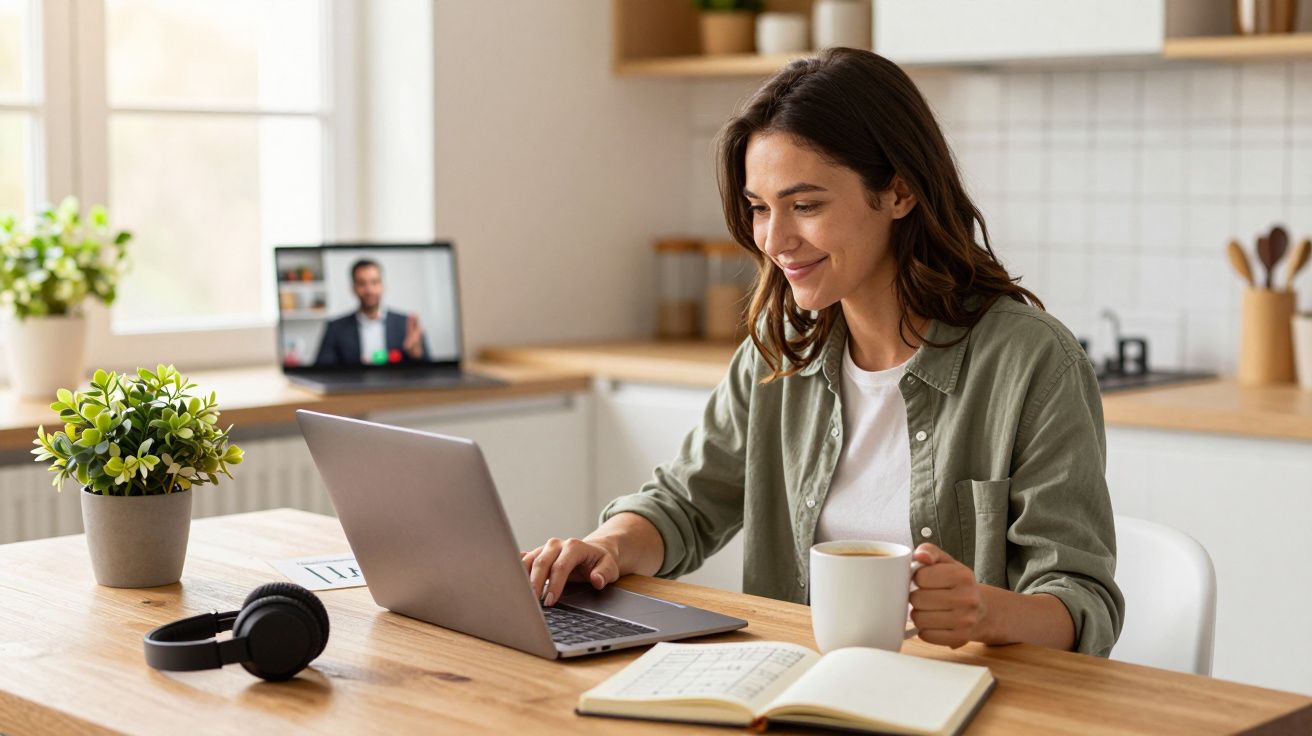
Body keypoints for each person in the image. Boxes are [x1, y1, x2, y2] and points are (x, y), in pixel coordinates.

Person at [523, 48, 1123, 657]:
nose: (774, 241)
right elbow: (684, 504)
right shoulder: (777, 354)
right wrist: (609, 546)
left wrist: (984, 611)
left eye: (805, 206)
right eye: (760, 208)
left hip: (970, 701)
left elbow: (1081, 601)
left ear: (899, 192)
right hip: (797, 691)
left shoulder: (1033, 364)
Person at [314, 258, 430, 366]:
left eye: (374, 282)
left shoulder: (406, 324)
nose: (369, 290)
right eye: (362, 283)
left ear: (383, 286)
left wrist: (417, 356)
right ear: (353, 288)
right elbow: (322, 372)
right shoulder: (335, 328)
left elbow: (430, 372)